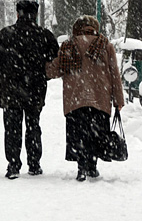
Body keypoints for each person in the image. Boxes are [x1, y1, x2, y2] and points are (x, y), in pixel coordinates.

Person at [0, 0, 59, 179]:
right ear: (35, 14)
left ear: (18, 14)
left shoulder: (6, 34)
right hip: (35, 88)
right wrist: (42, 74)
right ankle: (34, 163)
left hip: (10, 89)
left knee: (12, 127)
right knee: (33, 125)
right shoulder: (45, 36)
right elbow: (54, 61)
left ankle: (13, 164)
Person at [46, 15, 125, 182]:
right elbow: (114, 74)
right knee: (96, 134)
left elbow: (55, 70)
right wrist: (118, 99)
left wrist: (42, 65)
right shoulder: (105, 45)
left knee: (79, 133)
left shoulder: (69, 45)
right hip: (100, 99)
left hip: (76, 98)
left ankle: (81, 167)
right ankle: (92, 166)